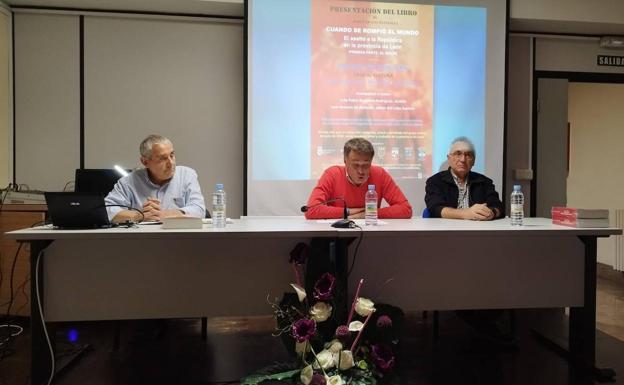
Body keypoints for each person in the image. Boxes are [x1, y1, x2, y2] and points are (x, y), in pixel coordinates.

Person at [105, 134, 206, 223]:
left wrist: (163, 215)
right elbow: (106, 210)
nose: (171, 163)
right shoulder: (128, 182)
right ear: (145, 162)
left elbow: (199, 209)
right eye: (162, 158)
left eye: (172, 155)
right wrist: (139, 216)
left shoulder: (187, 175)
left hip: (178, 239)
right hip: (142, 240)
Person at [305, 138, 412, 219]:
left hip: (370, 234)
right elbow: (311, 209)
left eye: (365, 165)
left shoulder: (380, 174)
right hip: (338, 236)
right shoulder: (332, 174)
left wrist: (369, 213)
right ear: (345, 161)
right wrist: (348, 212)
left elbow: (405, 209)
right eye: (355, 165)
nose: (361, 171)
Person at [425, 137, 504, 220]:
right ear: (449, 158)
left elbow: (499, 207)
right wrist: (465, 213)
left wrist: (492, 213)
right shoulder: (435, 181)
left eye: (468, 155)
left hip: (477, 229)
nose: (463, 159)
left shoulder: (484, 182)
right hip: (446, 229)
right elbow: (435, 208)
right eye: (458, 154)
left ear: (473, 161)